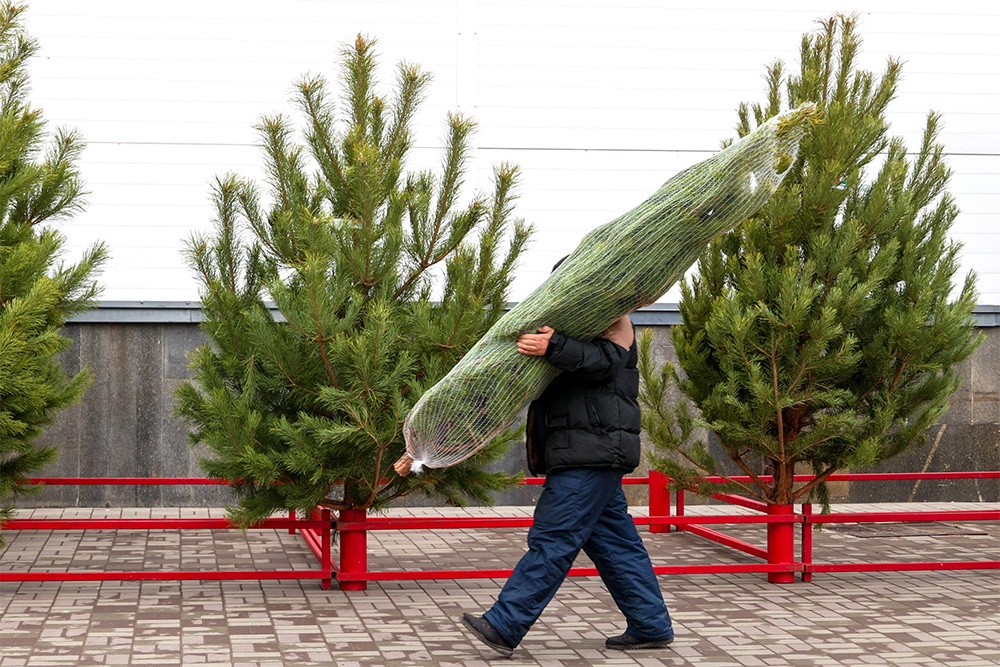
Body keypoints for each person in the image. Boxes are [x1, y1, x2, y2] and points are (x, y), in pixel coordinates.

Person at [460, 310, 675, 657]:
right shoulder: (576, 324)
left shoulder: (612, 318)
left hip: (591, 451)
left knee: (553, 537)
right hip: (589, 448)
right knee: (616, 545)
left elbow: (606, 362)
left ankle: (504, 624)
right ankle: (650, 623)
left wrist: (554, 345)